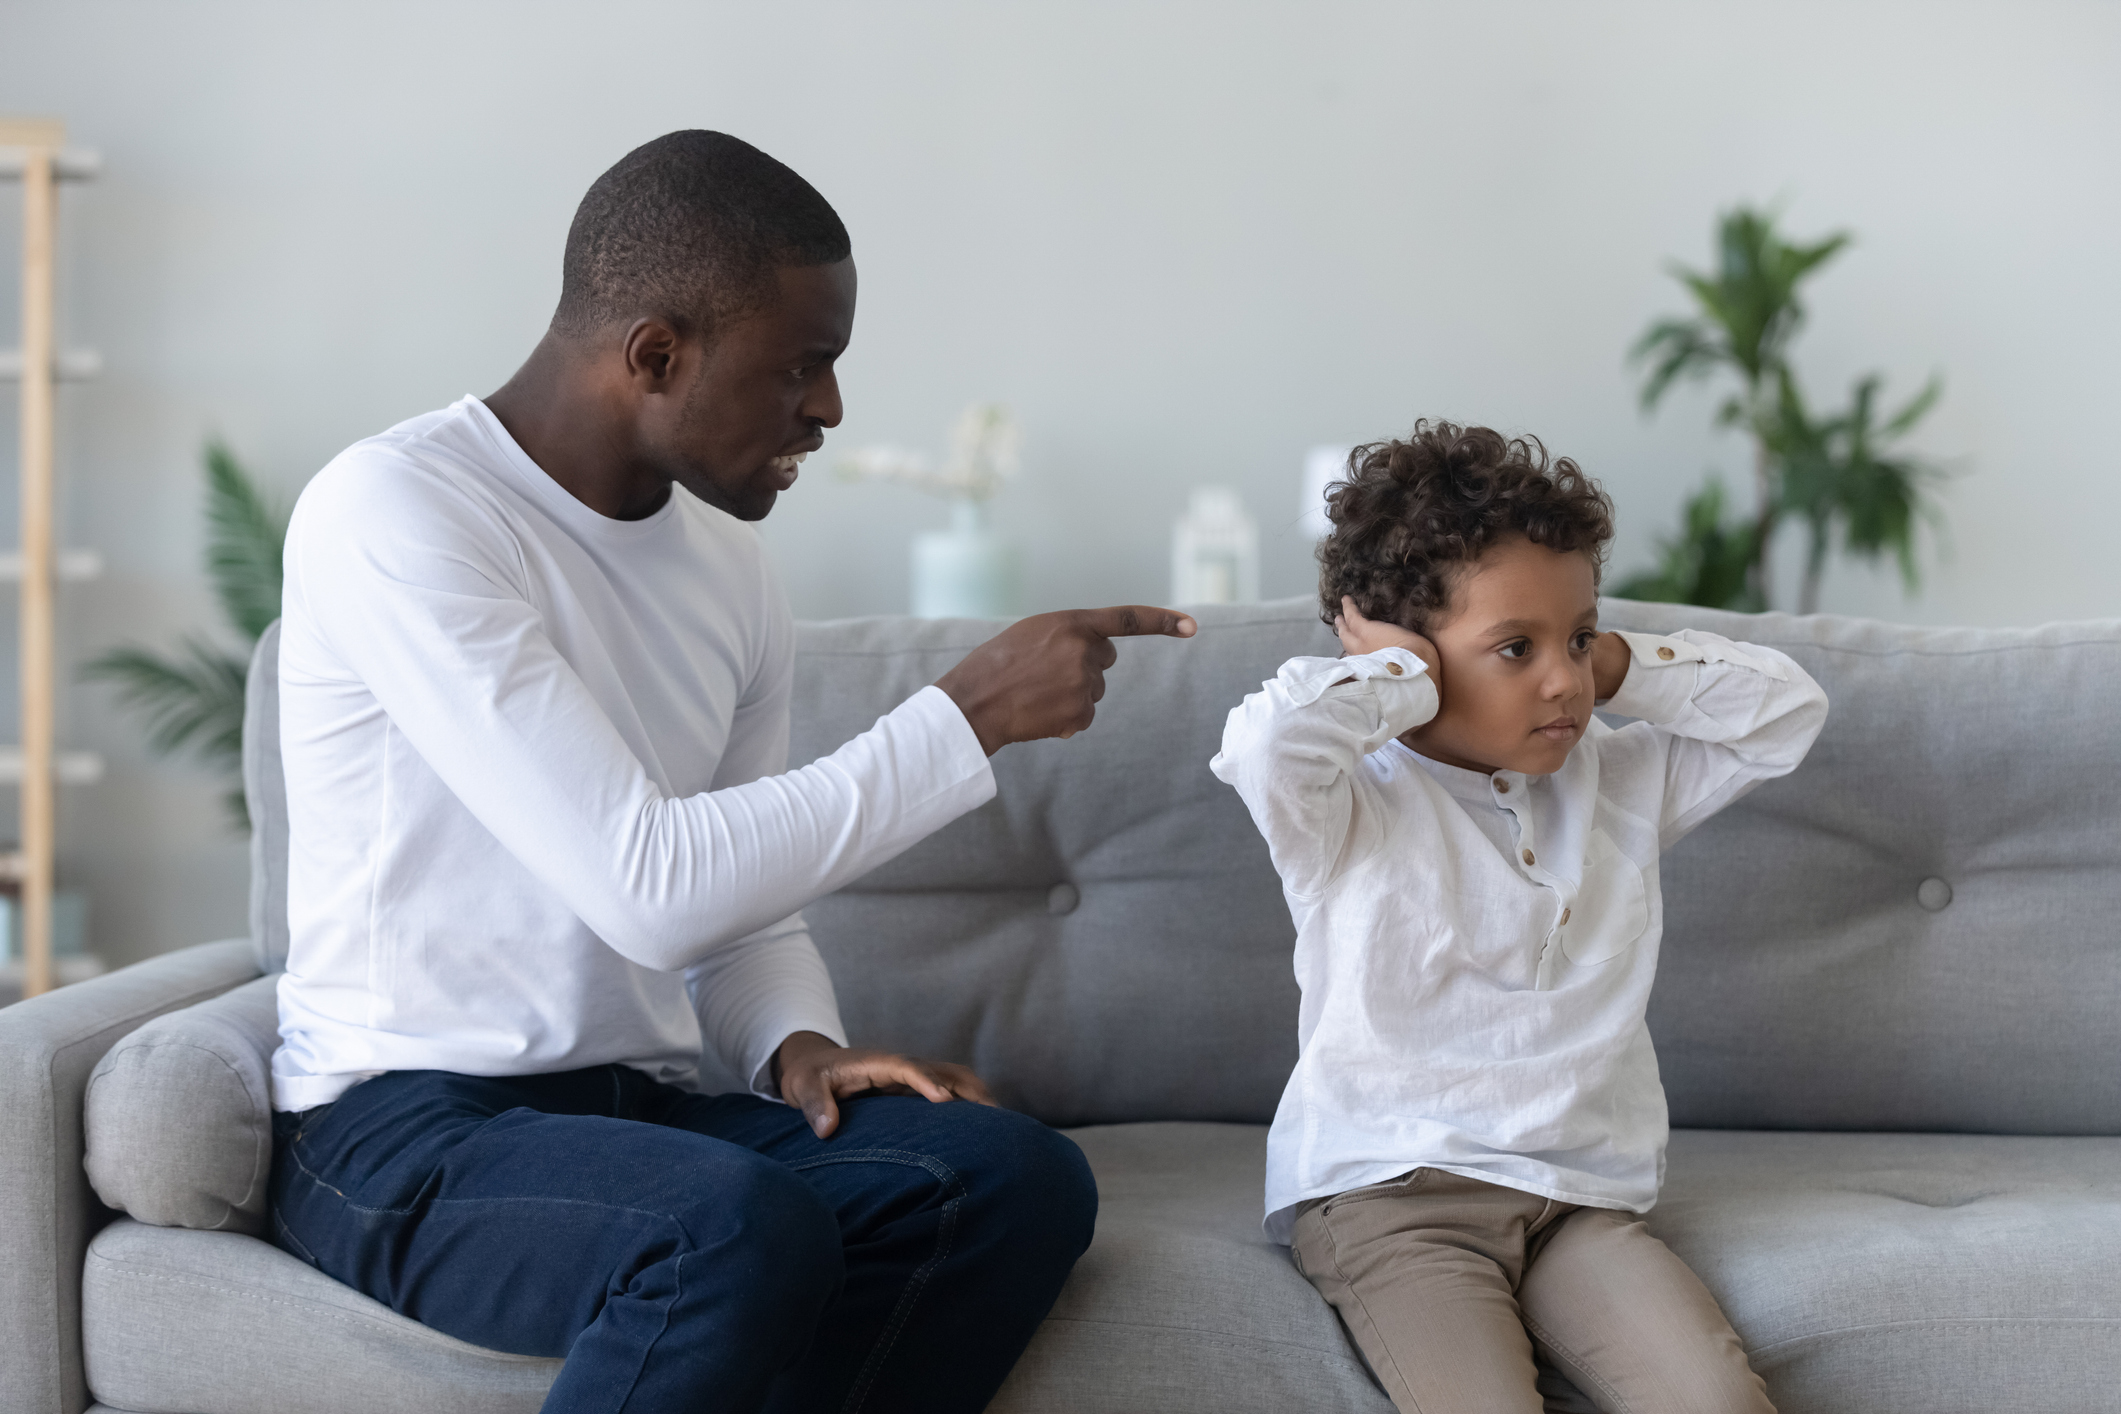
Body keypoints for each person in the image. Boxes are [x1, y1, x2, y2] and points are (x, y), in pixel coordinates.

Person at [265, 130, 1195, 1414]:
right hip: (404, 1127)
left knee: (1008, 1177)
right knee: (727, 1225)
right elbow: (647, 887)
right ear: (657, 354)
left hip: (636, 1113)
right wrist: (960, 719)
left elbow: (738, 911)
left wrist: (796, 1044)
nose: (829, 408)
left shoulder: (730, 570)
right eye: (803, 366)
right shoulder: (399, 512)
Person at [1210, 422, 1827, 1414]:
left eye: (1576, 637)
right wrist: (1402, 676)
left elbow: (1786, 714)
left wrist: (1620, 663)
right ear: (1399, 648)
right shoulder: (1346, 803)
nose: (1562, 680)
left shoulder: (1617, 780)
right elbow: (1269, 742)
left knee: (1717, 1403)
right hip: (1394, 1199)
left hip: (1579, 1201)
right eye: (1515, 647)